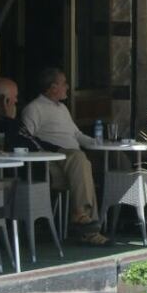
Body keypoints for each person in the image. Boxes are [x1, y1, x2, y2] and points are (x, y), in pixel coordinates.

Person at [19, 68, 111, 247]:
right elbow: (27, 139)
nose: (68, 87)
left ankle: (83, 219)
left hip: (72, 159)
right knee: (80, 160)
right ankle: (88, 226)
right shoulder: (33, 108)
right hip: (53, 160)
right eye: (64, 83)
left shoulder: (62, 108)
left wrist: (100, 143)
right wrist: (52, 150)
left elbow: (76, 134)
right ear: (53, 87)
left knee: (87, 161)